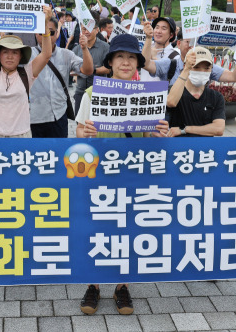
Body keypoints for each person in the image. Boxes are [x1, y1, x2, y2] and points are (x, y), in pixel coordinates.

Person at [75, 34, 166, 315]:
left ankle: (122, 286)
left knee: (128, 229)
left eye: (131, 58)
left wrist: (158, 132)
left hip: (134, 175)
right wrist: (85, 132)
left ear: (138, 63)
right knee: (95, 228)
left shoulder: (150, 96)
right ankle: (93, 285)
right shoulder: (92, 94)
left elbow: (154, 138)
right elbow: (79, 132)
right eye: (120, 57)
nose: (126, 62)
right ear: (111, 62)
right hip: (99, 174)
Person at [0, 3, 53, 137]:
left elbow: (46, 54)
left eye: (15, 52)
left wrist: (44, 24)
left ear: (21, 55)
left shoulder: (27, 73)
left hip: (21, 135)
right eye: (5, 52)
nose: (10, 56)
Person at [30, 15, 93, 137]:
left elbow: (87, 71)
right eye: (41, 31)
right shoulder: (27, 54)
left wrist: (85, 49)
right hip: (34, 117)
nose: (45, 35)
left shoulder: (66, 54)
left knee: (59, 154)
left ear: (57, 33)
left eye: (50, 32)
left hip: (58, 116)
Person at [142, 25, 236, 86]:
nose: (192, 46)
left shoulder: (206, 66)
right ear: (178, 44)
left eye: (196, 42)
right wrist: (148, 38)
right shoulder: (169, 65)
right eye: (189, 42)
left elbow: (235, 77)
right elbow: (146, 64)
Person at [164, 47, 225, 136]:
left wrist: (185, 129)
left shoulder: (216, 97)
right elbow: (171, 102)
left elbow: (218, 129)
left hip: (205, 149)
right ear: (185, 67)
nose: (202, 72)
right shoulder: (175, 91)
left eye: (206, 68)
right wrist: (186, 70)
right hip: (178, 148)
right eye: (196, 67)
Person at [71, 10, 110, 113]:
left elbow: (108, 69)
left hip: (99, 92)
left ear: (97, 30)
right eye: (84, 29)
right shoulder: (77, 49)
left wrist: (91, 70)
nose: (86, 32)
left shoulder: (105, 47)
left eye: (89, 29)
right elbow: (71, 69)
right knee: (80, 124)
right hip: (80, 92)